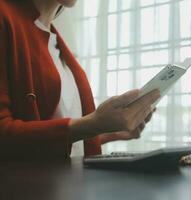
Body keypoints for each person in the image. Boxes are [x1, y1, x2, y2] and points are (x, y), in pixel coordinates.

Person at [0, 0, 160, 158]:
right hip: (27, 184)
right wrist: (93, 124)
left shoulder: (56, 41)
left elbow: (61, 136)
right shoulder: (5, 17)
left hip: (67, 182)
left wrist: (109, 130)